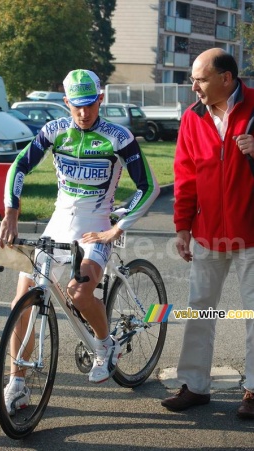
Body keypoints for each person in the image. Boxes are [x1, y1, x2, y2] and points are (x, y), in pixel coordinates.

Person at [0, 69, 160, 415]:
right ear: (66, 102)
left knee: (79, 292)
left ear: (100, 99)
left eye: (90, 105)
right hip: (57, 224)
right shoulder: (55, 131)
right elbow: (19, 166)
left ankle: (105, 346)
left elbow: (149, 187)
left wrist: (118, 225)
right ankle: (17, 383)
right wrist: (11, 210)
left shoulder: (118, 136)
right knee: (21, 303)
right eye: (76, 106)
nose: (84, 113)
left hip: (95, 227)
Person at [161, 48, 254, 418]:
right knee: (200, 309)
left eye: (199, 78)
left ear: (226, 79)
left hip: (252, 231)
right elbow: (185, 177)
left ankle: (253, 391)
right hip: (207, 232)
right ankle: (195, 386)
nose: (193, 85)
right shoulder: (192, 118)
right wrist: (183, 227)